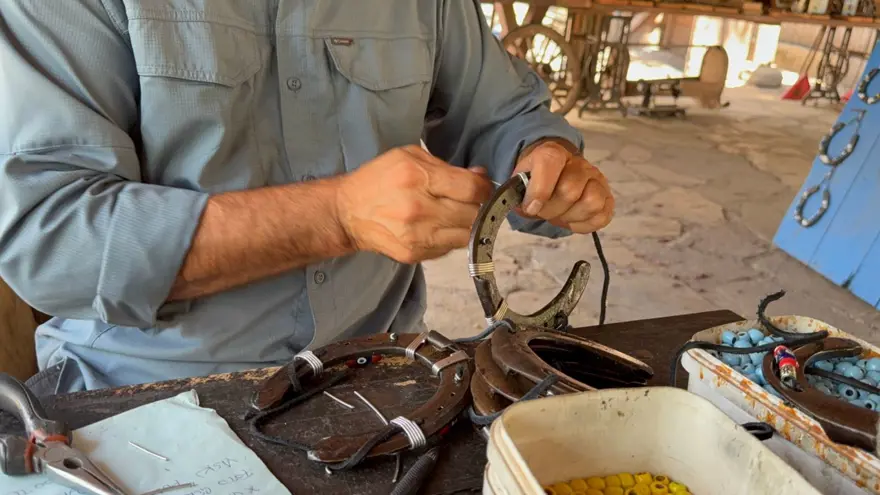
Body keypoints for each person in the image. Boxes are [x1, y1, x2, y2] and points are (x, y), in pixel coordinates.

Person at [0, 0, 614, 395]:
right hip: (150, 390)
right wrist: (337, 216)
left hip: (383, 368)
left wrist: (542, 159)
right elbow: (52, 240)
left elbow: (499, 115)